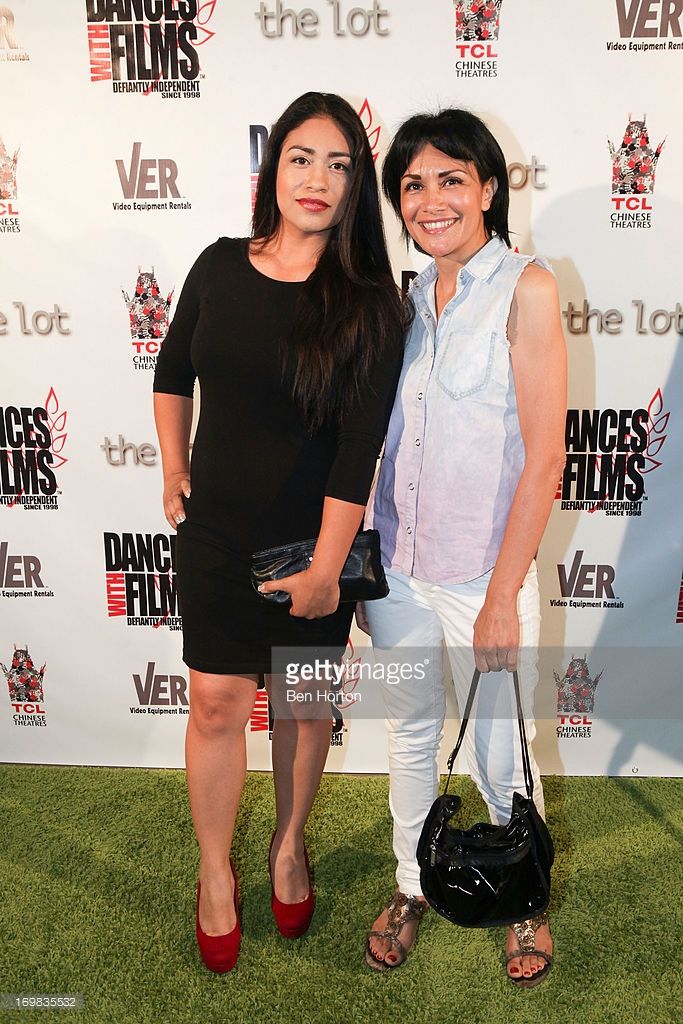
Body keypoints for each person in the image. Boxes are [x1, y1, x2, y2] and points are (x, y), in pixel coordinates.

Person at [153, 91, 403, 973]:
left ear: (355, 185)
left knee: (300, 709)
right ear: (272, 168)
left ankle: (288, 846)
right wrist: (172, 468)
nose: (316, 179)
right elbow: (172, 370)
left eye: (338, 165)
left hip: (312, 547)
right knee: (216, 705)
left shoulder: (372, 304)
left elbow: (358, 451)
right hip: (216, 537)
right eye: (301, 157)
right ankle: (214, 872)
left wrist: (328, 571)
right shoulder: (219, 265)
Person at [360, 108, 566, 987]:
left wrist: (501, 596)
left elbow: (545, 456)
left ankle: (522, 901)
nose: (429, 199)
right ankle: (411, 885)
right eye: (412, 184)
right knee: (410, 736)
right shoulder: (404, 302)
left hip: (484, 573)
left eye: (450, 179)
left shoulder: (527, 288)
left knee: (498, 749)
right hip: (399, 572)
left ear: (486, 188)